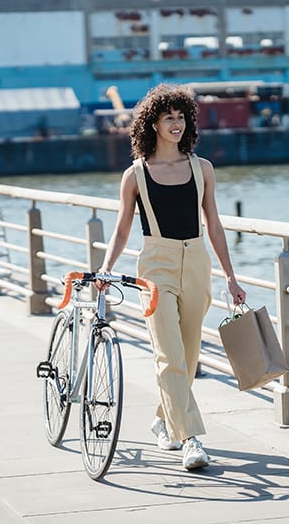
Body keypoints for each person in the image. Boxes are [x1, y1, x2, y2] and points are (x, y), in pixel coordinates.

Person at [97, 84, 246, 471]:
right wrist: (107, 268)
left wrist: (230, 275)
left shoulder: (203, 169)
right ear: (153, 124)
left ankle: (163, 420)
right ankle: (189, 438)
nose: (176, 124)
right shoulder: (135, 175)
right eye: (169, 118)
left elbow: (214, 225)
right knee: (168, 354)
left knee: (189, 355)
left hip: (197, 262)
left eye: (181, 117)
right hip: (156, 265)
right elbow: (122, 229)